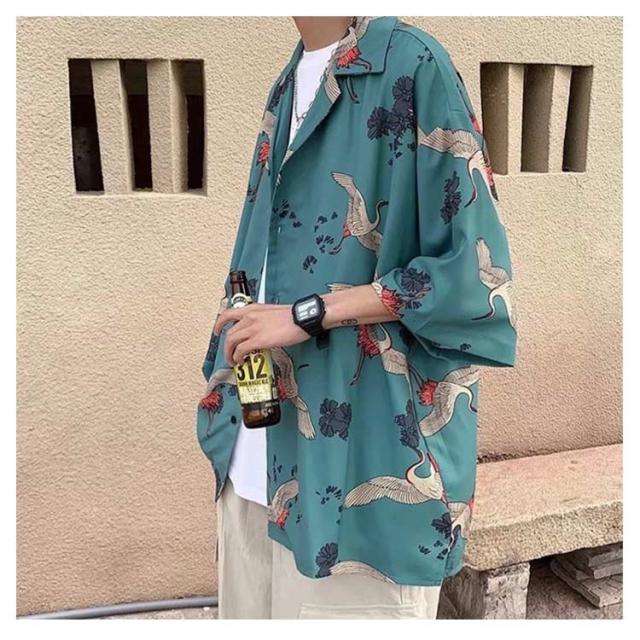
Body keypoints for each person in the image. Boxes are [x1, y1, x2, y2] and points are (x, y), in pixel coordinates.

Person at [197, 16, 517, 619]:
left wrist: (310, 313)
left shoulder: (411, 65)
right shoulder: (287, 84)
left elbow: (475, 277)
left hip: (360, 491)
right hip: (253, 469)